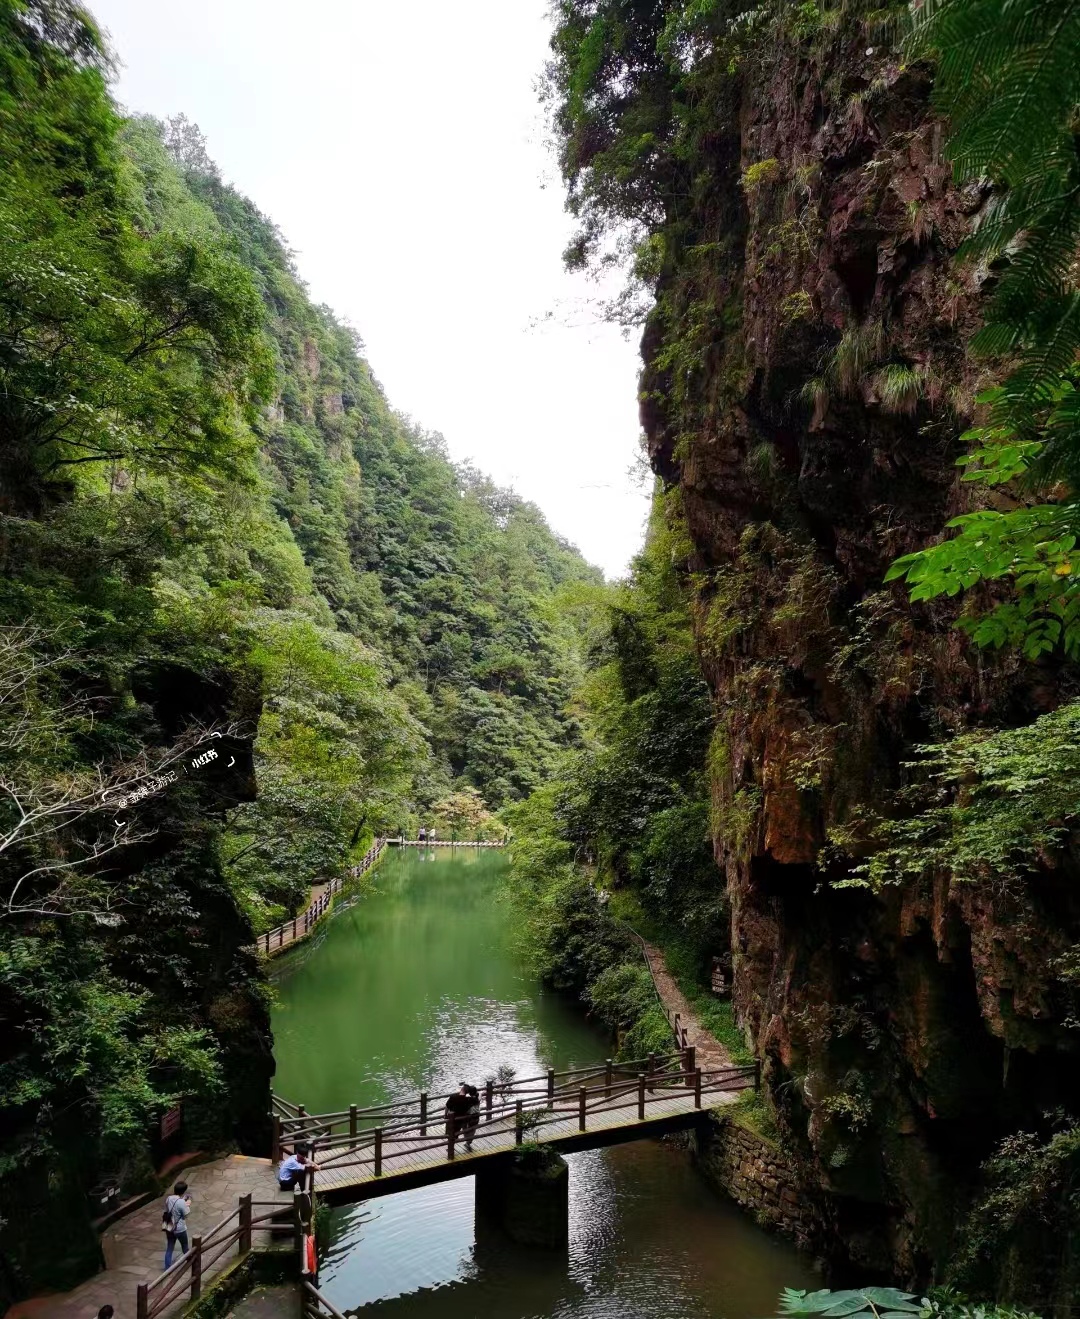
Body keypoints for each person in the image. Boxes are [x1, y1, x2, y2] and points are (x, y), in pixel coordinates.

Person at [162, 1181, 191, 1270]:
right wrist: (188, 1204)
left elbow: (167, 1210)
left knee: (170, 1247)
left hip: (169, 1227)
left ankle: (167, 1268)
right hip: (180, 1229)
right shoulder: (181, 1202)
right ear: (183, 1191)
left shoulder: (168, 1199)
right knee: (185, 1246)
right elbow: (186, 1215)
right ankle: (190, 1261)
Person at [463, 1084, 481, 1151]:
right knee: (472, 1130)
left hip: (468, 1116)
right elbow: (480, 1094)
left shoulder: (468, 1099)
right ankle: (468, 1142)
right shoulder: (478, 1098)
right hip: (476, 1116)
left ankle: (466, 1139)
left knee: (465, 1127)